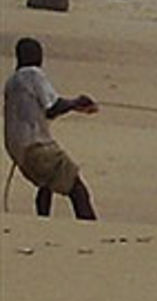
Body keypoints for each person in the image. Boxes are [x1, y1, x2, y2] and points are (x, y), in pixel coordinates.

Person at [3, 37, 98, 219]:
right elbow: (53, 106)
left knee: (46, 182)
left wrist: (74, 107)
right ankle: (91, 231)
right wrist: (76, 101)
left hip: (18, 150)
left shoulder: (12, 82)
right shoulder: (33, 75)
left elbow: (47, 112)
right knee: (77, 189)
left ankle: (43, 221)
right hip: (35, 146)